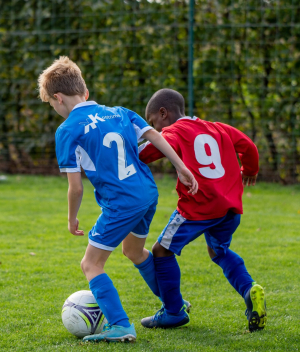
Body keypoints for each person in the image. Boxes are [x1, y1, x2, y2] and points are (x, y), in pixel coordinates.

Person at [38, 57, 198, 342]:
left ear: (58, 98)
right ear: (85, 93)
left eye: (52, 105)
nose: (56, 111)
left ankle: (121, 325)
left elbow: (75, 188)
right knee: (135, 252)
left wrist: (71, 217)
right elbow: (157, 138)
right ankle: (175, 307)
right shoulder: (121, 112)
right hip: (147, 194)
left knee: (91, 264)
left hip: (121, 202)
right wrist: (181, 166)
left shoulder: (67, 131)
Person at [138, 88, 267, 332]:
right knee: (218, 250)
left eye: (154, 123)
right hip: (229, 207)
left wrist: (121, 155)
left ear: (163, 113)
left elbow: (148, 151)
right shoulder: (219, 128)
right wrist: (250, 169)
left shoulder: (173, 132)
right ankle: (249, 289)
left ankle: (174, 312)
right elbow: (249, 146)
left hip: (198, 207)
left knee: (161, 250)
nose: (155, 129)